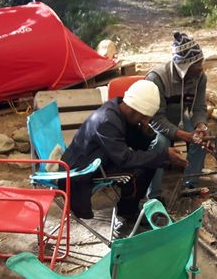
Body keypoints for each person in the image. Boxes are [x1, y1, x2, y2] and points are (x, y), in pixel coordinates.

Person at [59, 80, 187, 226]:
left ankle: (129, 208)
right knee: (141, 168)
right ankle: (128, 212)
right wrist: (164, 155)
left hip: (101, 158)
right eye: (144, 117)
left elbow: (136, 143)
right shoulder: (107, 121)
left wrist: (147, 132)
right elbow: (124, 159)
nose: (145, 121)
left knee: (149, 161)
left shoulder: (120, 110)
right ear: (133, 110)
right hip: (81, 168)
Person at [145, 32, 210, 202]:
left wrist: (201, 125)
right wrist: (182, 135)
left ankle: (189, 185)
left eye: (201, 62)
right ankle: (154, 196)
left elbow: (199, 107)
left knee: (201, 142)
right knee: (160, 145)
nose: (201, 68)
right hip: (156, 123)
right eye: (196, 64)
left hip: (179, 118)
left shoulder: (200, 78)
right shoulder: (156, 78)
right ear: (184, 67)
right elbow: (155, 118)